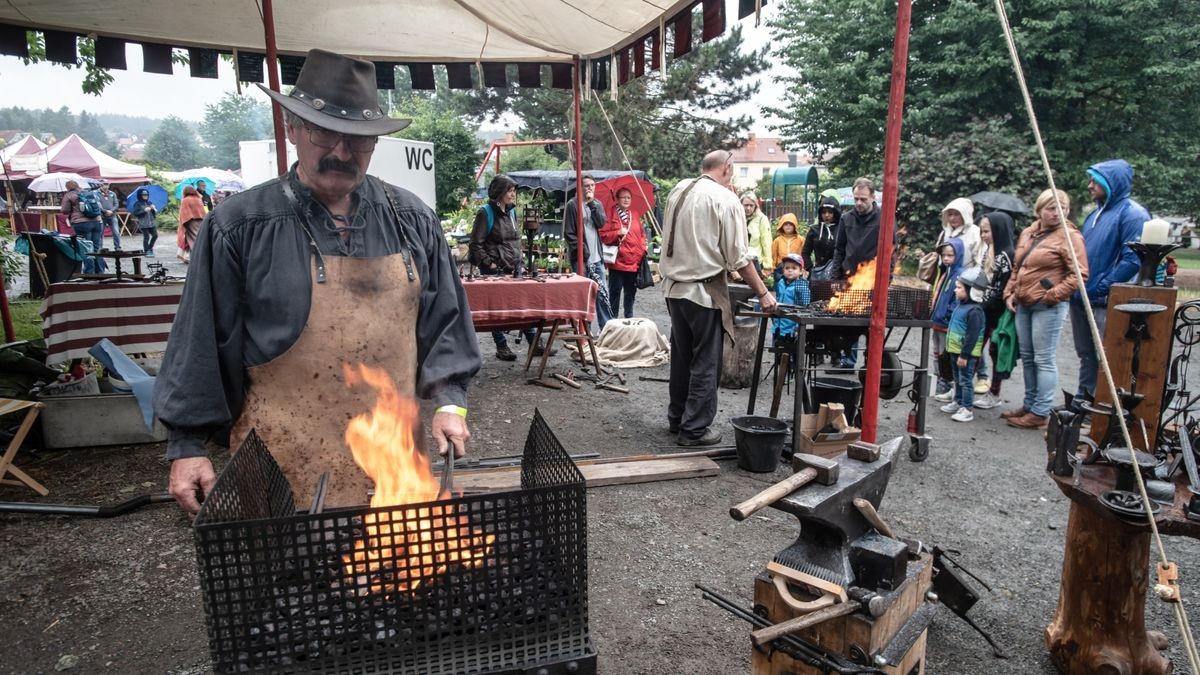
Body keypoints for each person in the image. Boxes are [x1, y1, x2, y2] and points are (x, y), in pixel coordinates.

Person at [154, 49, 480, 514]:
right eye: (325, 132)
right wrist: (187, 444)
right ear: (293, 128)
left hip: (390, 469)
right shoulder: (239, 226)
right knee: (285, 581)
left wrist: (451, 402)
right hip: (278, 469)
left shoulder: (411, 219)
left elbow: (446, 320)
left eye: (357, 139)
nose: (341, 152)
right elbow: (201, 341)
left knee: (393, 580)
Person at [660, 150, 777, 446]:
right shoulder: (725, 199)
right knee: (705, 363)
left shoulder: (679, 188)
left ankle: (677, 420)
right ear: (727, 168)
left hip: (675, 289)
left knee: (682, 358)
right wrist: (763, 293)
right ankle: (694, 430)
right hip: (703, 292)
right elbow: (739, 258)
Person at [1003, 188, 1088, 430]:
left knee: (1044, 359)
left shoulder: (1069, 236)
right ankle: (1029, 405)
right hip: (1024, 303)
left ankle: (1040, 411)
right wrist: (1010, 292)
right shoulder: (1029, 233)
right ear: (1040, 209)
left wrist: (1051, 296)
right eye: (1052, 208)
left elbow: (1079, 274)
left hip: (1047, 307)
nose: (1058, 213)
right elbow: (1017, 267)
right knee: (1028, 358)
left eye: (1063, 208)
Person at [1070, 159, 1149, 403]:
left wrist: (1100, 288)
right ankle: (1085, 399)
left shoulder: (1132, 214)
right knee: (1086, 354)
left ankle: (1103, 407)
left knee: (1107, 355)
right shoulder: (1095, 214)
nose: (1090, 185)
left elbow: (1132, 259)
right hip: (1081, 296)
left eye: (1096, 180)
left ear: (1111, 182)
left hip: (1105, 300)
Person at [469, 174, 542, 361]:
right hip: (494, 270)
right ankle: (501, 346)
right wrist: (490, 264)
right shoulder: (485, 213)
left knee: (521, 303)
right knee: (497, 309)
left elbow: (515, 241)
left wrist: (521, 262)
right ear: (500, 192)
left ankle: (533, 343)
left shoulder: (511, 212)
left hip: (513, 267)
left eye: (514, 190)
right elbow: (476, 245)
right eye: (510, 190)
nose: (513, 194)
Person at [974, 212, 1016, 410]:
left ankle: (994, 393)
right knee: (973, 348)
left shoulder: (1007, 255)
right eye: (981, 231)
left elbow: (1002, 287)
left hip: (997, 312)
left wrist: (985, 303)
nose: (983, 235)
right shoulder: (989, 251)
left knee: (995, 351)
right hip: (983, 309)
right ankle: (963, 387)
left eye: (987, 231)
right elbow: (983, 278)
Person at [563, 174, 613, 331]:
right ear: (580, 187)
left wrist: (592, 204)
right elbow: (569, 233)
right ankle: (585, 328)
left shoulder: (597, 204)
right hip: (581, 258)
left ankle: (606, 328)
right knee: (583, 294)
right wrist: (580, 249)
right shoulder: (573, 205)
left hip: (597, 257)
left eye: (592, 185)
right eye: (586, 185)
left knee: (602, 292)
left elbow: (601, 223)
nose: (590, 188)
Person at [941, 268, 988, 423]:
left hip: (965, 354)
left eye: (959, 287)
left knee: (966, 380)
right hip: (956, 351)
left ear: (972, 291)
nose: (956, 289)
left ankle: (967, 409)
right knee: (957, 378)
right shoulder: (961, 305)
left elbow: (972, 335)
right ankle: (958, 401)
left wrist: (965, 355)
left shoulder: (975, 311)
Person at [600, 187, 648, 318]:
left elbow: (642, 234)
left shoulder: (635, 214)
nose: (626, 200)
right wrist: (617, 233)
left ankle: (629, 320)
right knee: (614, 293)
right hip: (618, 263)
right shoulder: (609, 214)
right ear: (617, 199)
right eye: (623, 197)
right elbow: (603, 235)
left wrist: (643, 248)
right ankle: (613, 321)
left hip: (634, 262)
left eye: (628, 198)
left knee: (630, 294)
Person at [931, 238, 967, 402]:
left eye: (950, 255)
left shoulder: (959, 274)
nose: (946, 258)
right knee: (938, 353)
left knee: (947, 355)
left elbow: (956, 300)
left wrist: (948, 314)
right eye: (944, 255)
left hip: (946, 324)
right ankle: (941, 381)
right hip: (937, 322)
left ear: (958, 255)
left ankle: (948, 384)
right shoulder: (946, 272)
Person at [830, 178, 886, 279]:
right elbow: (839, 250)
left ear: (873, 197)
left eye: (863, 199)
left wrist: (887, 279)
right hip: (848, 276)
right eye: (856, 199)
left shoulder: (883, 219)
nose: (859, 203)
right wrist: (834, 278)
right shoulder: (846, 218)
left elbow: (890, 252)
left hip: (871, 278)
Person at [60, 180, 106, 273]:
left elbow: (65, 210)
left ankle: (89, 272)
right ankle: (100, 271)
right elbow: (99, 206)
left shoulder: (69, 195)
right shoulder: (89, 193)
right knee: (97, 247)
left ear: (67, 187)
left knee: (86, 247)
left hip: (81, 223)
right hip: (97, 222)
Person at [773, 254, 811, 339]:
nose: (790, 270)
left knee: (789, 349)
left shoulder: (801, 286)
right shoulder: (781, 283)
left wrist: (798, 328)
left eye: (794, 268)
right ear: (783, 270)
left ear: (801, 271)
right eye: (787, 268)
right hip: (777, 326)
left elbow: (804, 308)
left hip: (791, 327)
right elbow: (778, 299)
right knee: (777, 346)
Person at [802, 196, 840, 279]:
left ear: (835, 213)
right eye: (824, 212)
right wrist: (811, 270)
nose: (826, 215)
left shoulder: (842, 229)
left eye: (830, 212)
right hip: (818, 273)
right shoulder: (814, 230)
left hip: (837, 273)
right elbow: (805, 253)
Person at [938, 197, 981, 264]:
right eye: (950, 214)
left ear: (964, 214)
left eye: (956, 214)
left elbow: (980, 260)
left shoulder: (975, 232)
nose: (952, 218)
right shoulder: (944, 233)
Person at [741, 192, 773, 277]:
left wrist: (767, 265)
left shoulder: (762, 219)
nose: (748, 208)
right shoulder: (737, 218)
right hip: (739, 261)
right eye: (746, 205)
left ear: (755, 206)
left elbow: (766, 243)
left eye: (751, 205)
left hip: (756, 262)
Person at [176, 186, 206, 263]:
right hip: (200, 221)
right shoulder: (198, 199)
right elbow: (202, 211)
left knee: (193, 240)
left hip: (190, 222)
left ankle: (197, 257)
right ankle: (187, 257)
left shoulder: (185, 200)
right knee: (197, 238)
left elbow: (184, 213)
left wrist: (182, 222)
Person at [130, 188, 158, 256]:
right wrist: (144, 211)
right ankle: (146, 251)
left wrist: (153, 209)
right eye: (144, 195)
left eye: (147, 195)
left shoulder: (149, 202)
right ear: (140, 195)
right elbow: (136, 213)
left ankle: (150, 248)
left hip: (151, 222)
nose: (146, 196)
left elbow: (154, 214)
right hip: (143, 223)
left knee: (155, 235)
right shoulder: (137, 204)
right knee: (146, 237)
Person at [96, 180, 123, 251]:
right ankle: (99, 248)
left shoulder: (112, 193)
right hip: (102, 215)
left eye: (107, 184)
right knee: (100, 232)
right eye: (104, 184)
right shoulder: (96, 193)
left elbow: (116, 204)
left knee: (116, 232)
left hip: (112, 215)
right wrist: (105, 211)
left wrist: (111, 210)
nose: (106, 186)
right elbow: (97, 204)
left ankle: (117, 247)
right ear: (100, 185)